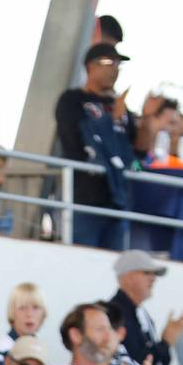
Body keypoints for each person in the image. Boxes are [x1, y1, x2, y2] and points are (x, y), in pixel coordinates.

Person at [53, 41, 132, 249]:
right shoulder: (72, 99)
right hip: (83, 196)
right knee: (81, 258)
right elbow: (74, 141)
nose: (115, 68)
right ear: (91, 66)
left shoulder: (121, 107)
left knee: (114, 264)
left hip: (117, 199)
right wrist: (110, 120)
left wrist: (151, 126)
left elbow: (134, 150)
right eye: (109, 62)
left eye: (118, 64)